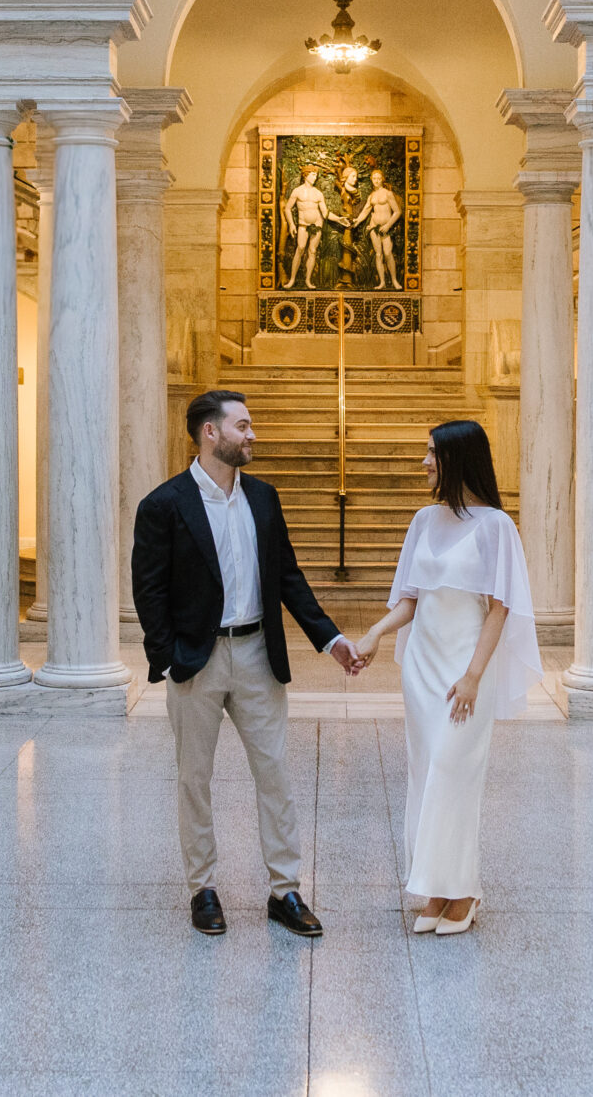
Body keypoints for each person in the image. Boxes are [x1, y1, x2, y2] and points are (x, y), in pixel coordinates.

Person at [131, 389, 364, 938]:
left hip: (259, 653)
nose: (252, 433)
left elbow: (287, 575)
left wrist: (329, 639)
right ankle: (203, 888)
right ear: (210, 432)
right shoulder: (163, 505)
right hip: (197, 659)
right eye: (243, 425)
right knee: (195, 778)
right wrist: (167, 658)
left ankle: (284, 891)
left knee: (275, 774)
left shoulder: (263, 497)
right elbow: (149, 592)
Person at [350, 419, 540, 936]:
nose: (424, 462)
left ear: (458, 458)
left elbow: (500, 609)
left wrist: (475, 676)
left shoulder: (496, 526)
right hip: (423, 668)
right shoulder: (422, 520)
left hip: (465, 669)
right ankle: (436, 888)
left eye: (432, 453)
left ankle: (466, 890)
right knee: (426, 773)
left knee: (454, 773)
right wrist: (374, 633)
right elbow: (411, 598)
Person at [282, 166, 329, 288]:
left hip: (317, 225)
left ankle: (308, 280)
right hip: (303, 225)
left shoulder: (318, 193)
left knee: (312, 251)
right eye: (313, 175)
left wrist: (339, 219)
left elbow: (325, 212)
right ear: (305, 175)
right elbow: (287, 208)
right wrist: (291, 224)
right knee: (300, 248)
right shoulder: (297, 191)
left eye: (316, 175)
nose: (315, 177)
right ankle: (292, 280)